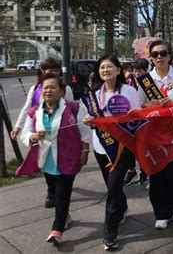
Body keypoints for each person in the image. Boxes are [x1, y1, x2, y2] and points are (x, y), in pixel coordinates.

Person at [20, 74, 92, 245]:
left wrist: (85, 151)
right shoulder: (35, 111)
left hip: (68, 159)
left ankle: (57, 229)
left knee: (62, 195)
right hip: (46, 160)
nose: (48, 90)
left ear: (61, 91)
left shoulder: (73, 108)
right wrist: (33, 136)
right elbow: (25, 133)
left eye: (53, 87)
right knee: (53, 191)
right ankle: (65, 216)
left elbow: (84, 132)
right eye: (45, 87)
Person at [83, 55, 140, 251]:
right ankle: (122, 208)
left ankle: (110, 232)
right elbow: (90, 119)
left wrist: (131, 116)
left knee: (113, 188)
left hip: (122, 148)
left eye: (109, 66)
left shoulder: (129, 91)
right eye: (102, 67)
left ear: (118, 70)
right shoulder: (94, 95)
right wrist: (89, 120)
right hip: (101, 147)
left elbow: (138, 116)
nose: (105, 70)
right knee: (111, 185)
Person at [138, 40, 173, 230]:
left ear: (169, 56)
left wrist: (171, 103)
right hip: (152, 134)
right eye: (155, 54)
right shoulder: (145, 80)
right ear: (151, 58)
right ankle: (161, 213)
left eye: (163, 53)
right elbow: (139, 105)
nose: (159, 57)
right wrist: (149, 105)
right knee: (156, 173)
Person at [11, 57, 74, 209]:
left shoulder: (65, 89)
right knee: (44, 162)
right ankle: (51, 191)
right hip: (38, 131)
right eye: (49, 70)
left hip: (59, 133)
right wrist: (18, 127)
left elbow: (71, 110)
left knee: (58, 162)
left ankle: (58, 191)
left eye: (55, 70)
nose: (52, 72)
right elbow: (27, 109)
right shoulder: (36, 89)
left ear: (59, 72)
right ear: (43, 71)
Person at [123, 58, 150, 186]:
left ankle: (144, 172)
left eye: (139, 70)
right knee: (129, 147)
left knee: (144, 148)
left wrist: (143, 105)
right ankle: (131, 170)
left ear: (146, 70)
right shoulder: (129, 83)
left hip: (146, 120)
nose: (136, 73)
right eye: (134, 70)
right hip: (131, 121)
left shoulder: (149, 83)